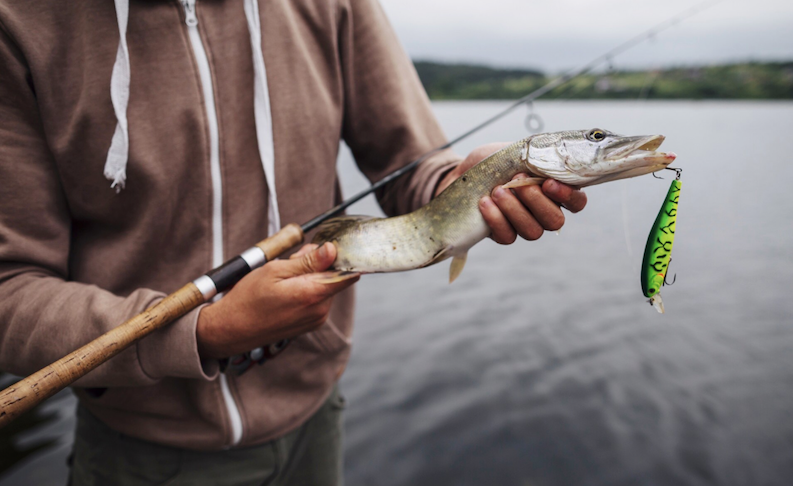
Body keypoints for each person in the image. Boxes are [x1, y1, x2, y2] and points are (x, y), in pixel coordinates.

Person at [0, 0, 586, 484]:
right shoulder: (21, 22)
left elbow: (415, 164)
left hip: (315, 423)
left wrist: (462, 185)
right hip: (137, 449)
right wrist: (205, 331)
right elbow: (10, 292)